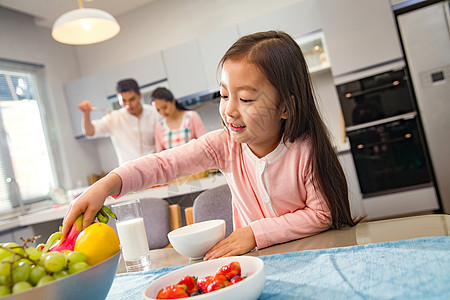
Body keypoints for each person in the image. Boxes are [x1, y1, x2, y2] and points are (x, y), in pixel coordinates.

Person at [64, 31, 359, 260]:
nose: (229, 110)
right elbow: (163, 164)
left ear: (285, 107)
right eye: (224, 95)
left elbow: (323, 215)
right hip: (261, 265)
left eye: (245, 99)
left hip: (317, 257)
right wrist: (106, 185)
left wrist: (254, 233)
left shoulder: (304, 150)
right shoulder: (224, 145)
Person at [78, 79, 159, 165]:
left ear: (139, 95)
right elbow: (89, 132)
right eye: (123, 101)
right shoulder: (114, 117)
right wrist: (86, 114)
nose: (128, 105)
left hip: (153, 166)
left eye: (132, 99)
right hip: (129, 172)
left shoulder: (154, 113)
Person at [151, 87, 207, 152]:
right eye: (158, 110)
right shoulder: (159, 127)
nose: (162, 112)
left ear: (173, 101)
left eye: (165, 107)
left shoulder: (192, 116)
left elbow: (204, 144)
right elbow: (160, 155)